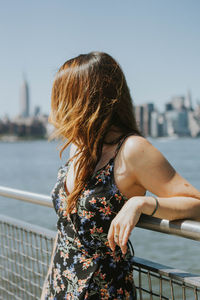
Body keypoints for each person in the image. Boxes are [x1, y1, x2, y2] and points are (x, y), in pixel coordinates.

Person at [41, 51, 200, 300]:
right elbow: (64, 233)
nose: (56, 108)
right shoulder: (78, 145)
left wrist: (142, 203)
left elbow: (196, 204)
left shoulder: (132, 150)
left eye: (62, 96)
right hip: (58, 289)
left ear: (84, 98)